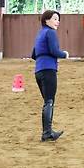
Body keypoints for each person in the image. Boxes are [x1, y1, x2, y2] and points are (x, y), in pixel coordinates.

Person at [31, 10, 69, 142]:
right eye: (54, 19)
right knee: (49, 101)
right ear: (46, 20)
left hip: (38, 71)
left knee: (47, 101)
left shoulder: (40, 34)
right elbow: (54, 51)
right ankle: (47, 133)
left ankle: (47, 131)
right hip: (48, 70)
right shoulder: (51, 32)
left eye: (58, 19)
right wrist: (64, 54)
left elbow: (33, 54)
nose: (57, 21)